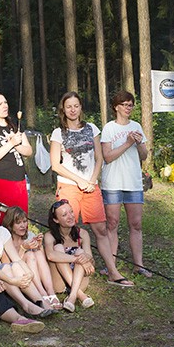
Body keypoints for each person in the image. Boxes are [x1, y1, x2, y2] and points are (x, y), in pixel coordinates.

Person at [50, 92, 133, 287]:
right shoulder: (58, 132)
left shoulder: (92, 128)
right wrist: (79, 180)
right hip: (69, 185)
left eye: (76, 106)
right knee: (66, 228)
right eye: (68, 106)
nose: (72, 110)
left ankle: (113, 272)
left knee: (101, 229)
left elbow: (99, 157)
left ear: (80, 108)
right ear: (63, 109)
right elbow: (55, 164)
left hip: (91, 186)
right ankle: (66, 272)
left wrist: (92, 180)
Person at [0, 197, 54, 317]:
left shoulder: (2, 232)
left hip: (0, 273)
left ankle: (41, 301)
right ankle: (26, 305)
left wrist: (29, 273)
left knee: (15, 265)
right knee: (6, 268)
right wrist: (12, 280)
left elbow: (16, 258)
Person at [101, 91, 151, 277]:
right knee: (112, 223)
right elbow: (107, 156)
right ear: (116, 107)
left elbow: (144, 155)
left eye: (130, 104)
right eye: (124, 104)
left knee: (136, 224)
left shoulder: (136, 126)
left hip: (133, 182)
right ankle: (111, 265)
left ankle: (139, 265)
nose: (128, 108)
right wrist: (128, 142)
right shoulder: (109, 128)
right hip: (113, 182)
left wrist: (138, 143)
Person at [0, 91, 32, 215]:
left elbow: (28, 151)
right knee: (3, 218)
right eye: (0, 104)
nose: (5, 106)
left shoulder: (13, 124)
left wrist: (17, 145)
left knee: (20, 218)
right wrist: (11, 144)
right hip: (1, 180)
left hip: (19, 179)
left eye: (5, 102)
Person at [2, 205, 62, 310]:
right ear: (10, 224)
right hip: (16, 274)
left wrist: (39, 246)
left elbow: (42, 262)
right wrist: (23, 248)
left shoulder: (29, 235)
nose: (23, 226)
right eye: (18, 222)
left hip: (32, 272)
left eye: (24, 221)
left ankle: (50, 292)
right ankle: (41, 292)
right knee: (29, 255)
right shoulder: (5, 239)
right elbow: (8, 265)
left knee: (37, 253)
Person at [42, 200, 95, 312]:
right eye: (64, 215)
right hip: (59, 283)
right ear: (56, 220)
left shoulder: (83, 234)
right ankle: (80, 296)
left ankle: (72, 297)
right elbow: (50, 256)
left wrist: (84, 258)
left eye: (71, 212)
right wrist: (77, 260)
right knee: (58, 248)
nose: (70, 216)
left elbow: (89, 255)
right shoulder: (49, 236)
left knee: (80, 251)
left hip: (79, 280)